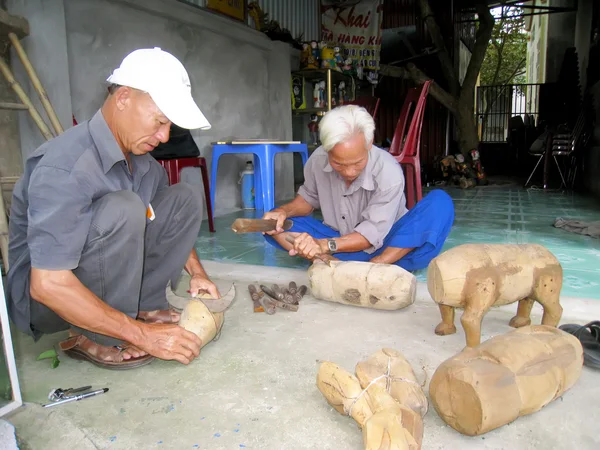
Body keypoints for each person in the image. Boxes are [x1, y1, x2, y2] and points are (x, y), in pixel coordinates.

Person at [6, 47, 219, 370]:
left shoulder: (144, 164)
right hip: (47, 302)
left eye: (169, 126)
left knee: (184, 198)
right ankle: (95, 333)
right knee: (125, 208)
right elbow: (47, 285)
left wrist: (198, 273)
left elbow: (165, 217)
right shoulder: (66, 167)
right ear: (123, 98)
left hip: (90, 282)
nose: (163, 137)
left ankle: (143, 306)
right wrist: (143, 336)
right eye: (160, 122)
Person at [262, 105, 454, 271]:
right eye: (338, 164)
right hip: (339, 244)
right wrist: (282, 211)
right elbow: (307, 200)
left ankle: (375, 266)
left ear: (369, 144)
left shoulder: (388, 171)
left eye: (357, 162)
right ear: (327, 149)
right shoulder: (318, 160)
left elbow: (370, 236)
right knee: (273, 224)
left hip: (388, 246)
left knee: (440, 202)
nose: (349, 172)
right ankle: (330, 262)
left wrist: (322, 245)